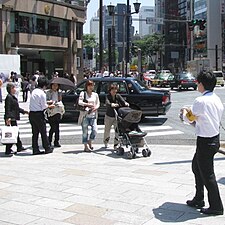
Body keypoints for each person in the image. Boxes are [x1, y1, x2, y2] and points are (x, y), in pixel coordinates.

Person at [183, 71, 224, 215]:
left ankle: (216, 206)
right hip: (213, 139)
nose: (197, 84)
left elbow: (190, 118)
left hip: (205, 141)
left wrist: (184, 112)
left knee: (208, 175)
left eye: (198, 82)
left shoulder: (200, 101)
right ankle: (198, 198)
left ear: (202, 84)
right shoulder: (216, 98)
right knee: (196, 166)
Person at [29, 76, 54, 155]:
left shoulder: (34, 91)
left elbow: (38, 102)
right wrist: (50, 106)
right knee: (43, 132)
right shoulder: (42, 93)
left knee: (35, 133)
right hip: (39, 114)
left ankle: (35, 149)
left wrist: (47, 102)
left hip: (32, 113)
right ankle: (47, 148)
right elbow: (44, 107)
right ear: (44, 85)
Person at [4, 83, 28, 155]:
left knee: (15, 133)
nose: (15, 89)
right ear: (11, 89)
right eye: (14, 88)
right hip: (11, 118)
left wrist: (24, 111)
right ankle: (8, 149)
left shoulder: (12, 97)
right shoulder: (9, 97)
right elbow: (7, 108)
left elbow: (16, 108)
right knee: (11, 134)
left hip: (13, 117)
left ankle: (19, 146)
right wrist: (8, 118)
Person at [103, 84, 129, 149]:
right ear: (110, 91)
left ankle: (116, 144)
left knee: (117, 130)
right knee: (107, 130)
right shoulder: (108, 96)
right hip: (109, 116)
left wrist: (126, 103)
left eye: (115, 89)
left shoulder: (118, 96)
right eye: (113, 90)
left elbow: (123, 101)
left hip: (116, 116)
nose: (114, 91)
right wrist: (111, 104)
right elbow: (107, 102)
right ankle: (106, 142)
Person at [78, 80, 100, 152]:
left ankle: (90, 140)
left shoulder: (95, 94)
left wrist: (95, 108)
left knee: (95, 130)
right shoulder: (83, 93)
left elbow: (98, 103)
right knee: (85, 132)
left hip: (93, 115)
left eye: (92, 85)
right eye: (89, 85)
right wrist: (87, 104)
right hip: (85, 115)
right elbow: (80, 102)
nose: (91, 87)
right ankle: (85, 146)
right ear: (86, 86)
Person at [46, 83, 63, 147]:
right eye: (53, 85)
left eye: (56, 85)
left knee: (57, 127)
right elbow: (45, 101)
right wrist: (51, 102)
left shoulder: (59, 92)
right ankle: (49, 140)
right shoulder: (48, 92)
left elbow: (60, 100)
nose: (55, 87)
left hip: (58, 110)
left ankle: (56, 141)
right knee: (53, 127)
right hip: (51, 110)